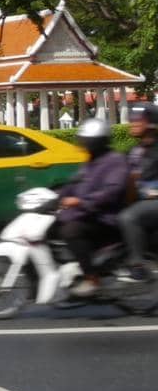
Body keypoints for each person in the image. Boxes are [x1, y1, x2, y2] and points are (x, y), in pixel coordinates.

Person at [55, 118, 130, 297]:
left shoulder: (115, 161)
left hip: (105, 217)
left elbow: (111, 191)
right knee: (50, 228)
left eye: (87, 141)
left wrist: (80, 201)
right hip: (87, 214)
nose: (84, 145)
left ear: (97, 142)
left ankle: (91, 278)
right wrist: (56, 197)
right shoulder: (91, 162)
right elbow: (74, 183)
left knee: (71, 231)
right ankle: (71, 276)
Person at [121, 103, 158, 278]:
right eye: (132, 120)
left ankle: (137, 264)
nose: (133, 123)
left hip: (153, 200)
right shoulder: (133, 150)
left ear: (151, 124)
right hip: (137, 198)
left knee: (129, 216)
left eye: (138, 120)